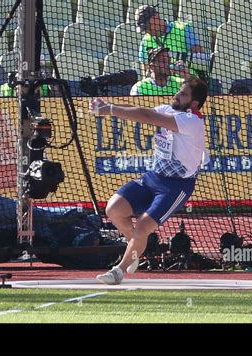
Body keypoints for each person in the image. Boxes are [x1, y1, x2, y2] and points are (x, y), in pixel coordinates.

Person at [89, 78, 209, 285]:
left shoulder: (192, 122)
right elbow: (140, 109)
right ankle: (134, 246)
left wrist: (108, 110)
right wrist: (106, 105)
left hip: (176, 186)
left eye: (183, 94)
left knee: (142, 228)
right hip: (153, 177)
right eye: (179, 92)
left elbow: (145, 116)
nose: (177, 96)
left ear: (194, 104)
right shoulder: (169, 110)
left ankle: (119, 270)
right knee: (114, 209)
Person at [135, 4, 208, 79]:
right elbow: (146, 74)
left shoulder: (183, 29)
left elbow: (201, 60)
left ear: (155, 17)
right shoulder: (145, 41)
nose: (147, 31)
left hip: (187, 85)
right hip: (161, 88)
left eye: (147, 27)